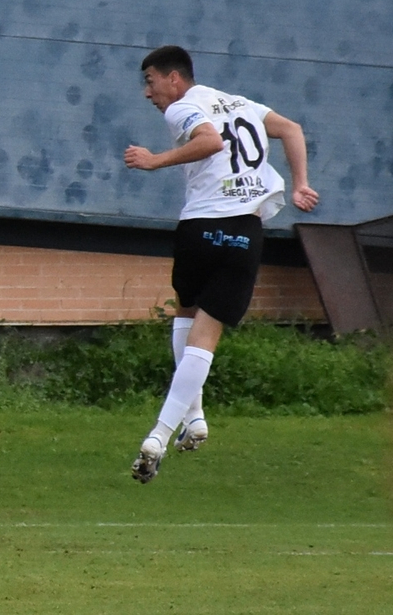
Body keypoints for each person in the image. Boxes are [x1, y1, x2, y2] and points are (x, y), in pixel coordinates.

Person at [124, 45, 319, 483]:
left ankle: (174, 428)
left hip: (200, 228)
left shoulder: (183, 107)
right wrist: (301, 184)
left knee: (187, 313)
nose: (147, 93)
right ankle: (179, 426)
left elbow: (209, 141)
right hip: (243, 233)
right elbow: (291, 129)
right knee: (202, 331)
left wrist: (155, 160)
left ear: (175, 78)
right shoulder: (238, 103)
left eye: (150, 81)